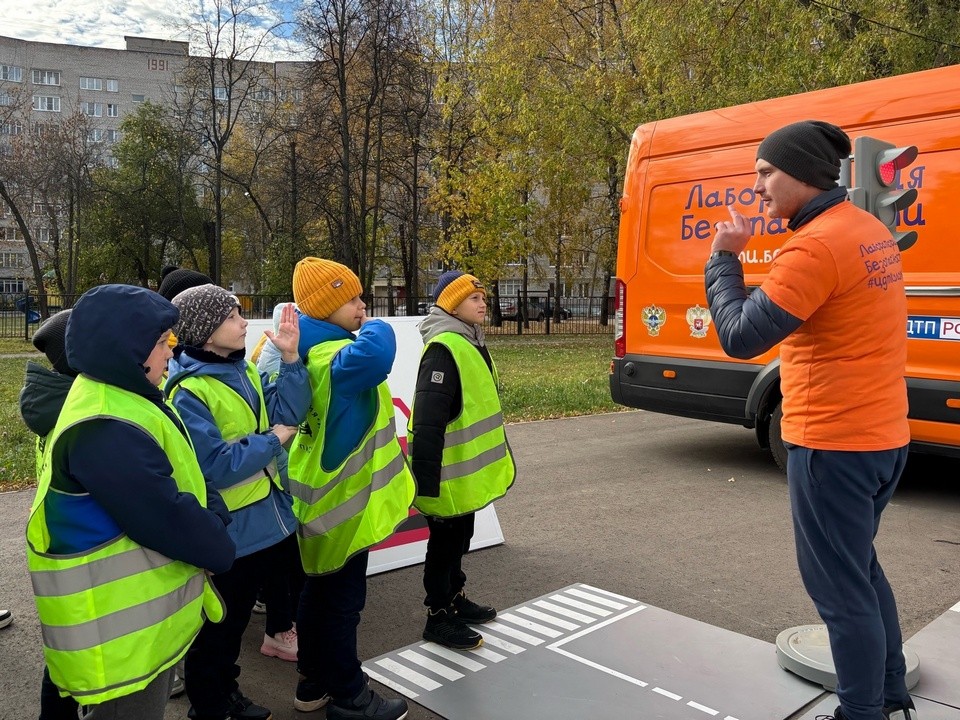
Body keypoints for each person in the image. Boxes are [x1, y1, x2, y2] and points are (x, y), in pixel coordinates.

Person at [704, 120, 915, 720]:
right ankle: (891, 693)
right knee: (861, 572)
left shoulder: (817, 244)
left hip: (833, 443)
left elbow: (741, 337)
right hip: (882, 436)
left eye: (767, 172)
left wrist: (723, 258)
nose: (759, 185)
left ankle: (861, 712)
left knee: (841, 592)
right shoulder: (867, 230)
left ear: (802, 174)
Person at [25, 284, 235, 720]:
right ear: (128, 350)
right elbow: (162, 515)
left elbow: (184, 472)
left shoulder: (121, 395)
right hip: (117, 646)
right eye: (162, 342)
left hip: (131, 632)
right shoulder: (105, 423)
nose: (170, 352)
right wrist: (217, 543)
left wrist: (213, 517)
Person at [165, 285, 310, 719]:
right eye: (232, 316)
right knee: (222, 626)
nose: (245, 322)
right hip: (234, 527)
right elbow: (216, 466)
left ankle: (224, 694)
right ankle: (210, 704)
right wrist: (272, 441)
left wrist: (290, 360)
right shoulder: (189, 392)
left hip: (272, 514)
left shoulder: (241, 370)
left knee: (250, 610)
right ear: (207, 333)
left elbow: (289, 413)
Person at [289, 257, 415, 720]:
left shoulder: (303, 349)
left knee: (317, 597)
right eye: (354, 299)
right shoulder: (330, 358)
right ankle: (349, 696)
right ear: (327, 307)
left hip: (320, 502)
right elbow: (377, 353)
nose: (362, 306)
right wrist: (375, 322)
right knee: (342, 607)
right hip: (343, 507)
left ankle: (312, 681)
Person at [408, 271, 516, 649]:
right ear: (452, 305)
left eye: (483, 296)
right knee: (444, 544)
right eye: (474, 298)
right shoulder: (443, 348)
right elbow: (428, 418)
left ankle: (454, 596)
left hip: (461, 476)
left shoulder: (468, 341)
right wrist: (424, 480)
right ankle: (437, 616)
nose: (483, 303)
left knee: (458, 539)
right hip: (443, 476)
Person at [19, 310, 84, 720]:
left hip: (60, 545)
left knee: (65, 656)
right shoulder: (78, 413)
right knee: (72, 661)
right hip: (81, 552)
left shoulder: (53, 403)